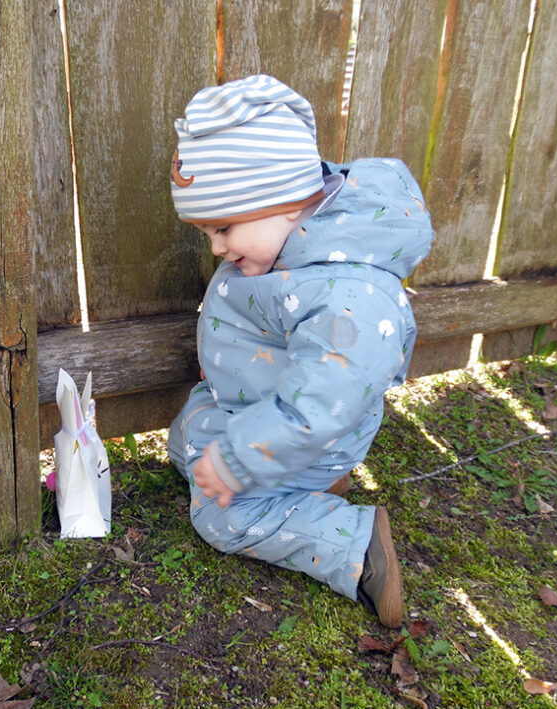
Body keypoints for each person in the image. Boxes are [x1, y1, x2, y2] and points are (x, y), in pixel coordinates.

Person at [166, 74, 434, 628]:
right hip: (255, 404)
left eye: (223, 228)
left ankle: (354, 545)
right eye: (207, 232)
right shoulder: (290, 247)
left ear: (285, 201)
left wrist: (239, 459)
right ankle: (265, 474)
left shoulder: (351, 295)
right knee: (188, 443)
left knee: (221, 518)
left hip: (310, 435)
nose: (216, 247)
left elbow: (320, 406)